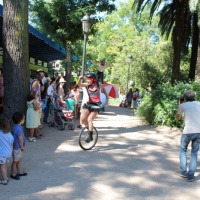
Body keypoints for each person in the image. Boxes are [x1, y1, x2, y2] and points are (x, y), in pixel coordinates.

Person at [175, 90, 200, 182]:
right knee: (194, 153)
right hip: (199, 132)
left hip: (187, 132)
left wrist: (179, 105)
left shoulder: (183, 105)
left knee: (183, 150)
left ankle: (183, 172)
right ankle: (191, 176)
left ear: (185, 98)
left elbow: (178, 118)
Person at [78, 72, 108, 143]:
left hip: (97, 105)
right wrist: (79, 79)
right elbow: (79, 84)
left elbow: (104, 89)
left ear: (93, 79)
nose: (88, 80)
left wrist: (107, 97)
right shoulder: (87, 85)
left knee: (90, 119)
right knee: (82, 119)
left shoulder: (98, 84)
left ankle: (90, 136)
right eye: (87, 79)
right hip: (89, 103)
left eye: (89, 79)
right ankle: (89, 129)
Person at [10, 112, 27, 181]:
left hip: (18, 148)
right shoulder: (18, 129)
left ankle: (19, 172)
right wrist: (22, 147)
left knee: (19, 160)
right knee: (15, 161)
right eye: (23, 119)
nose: (24, 120)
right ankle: (13, 174)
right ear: (21, 120)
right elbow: (20, 139)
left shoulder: (16, 127)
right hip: (17, 148)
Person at [0, 118, 14, 185]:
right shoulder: (9, 134)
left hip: (1, 154)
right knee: (4, 165)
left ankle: (4, 179)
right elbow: (11, 144)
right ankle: (5, 177)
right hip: (8, 153)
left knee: (2, 166)